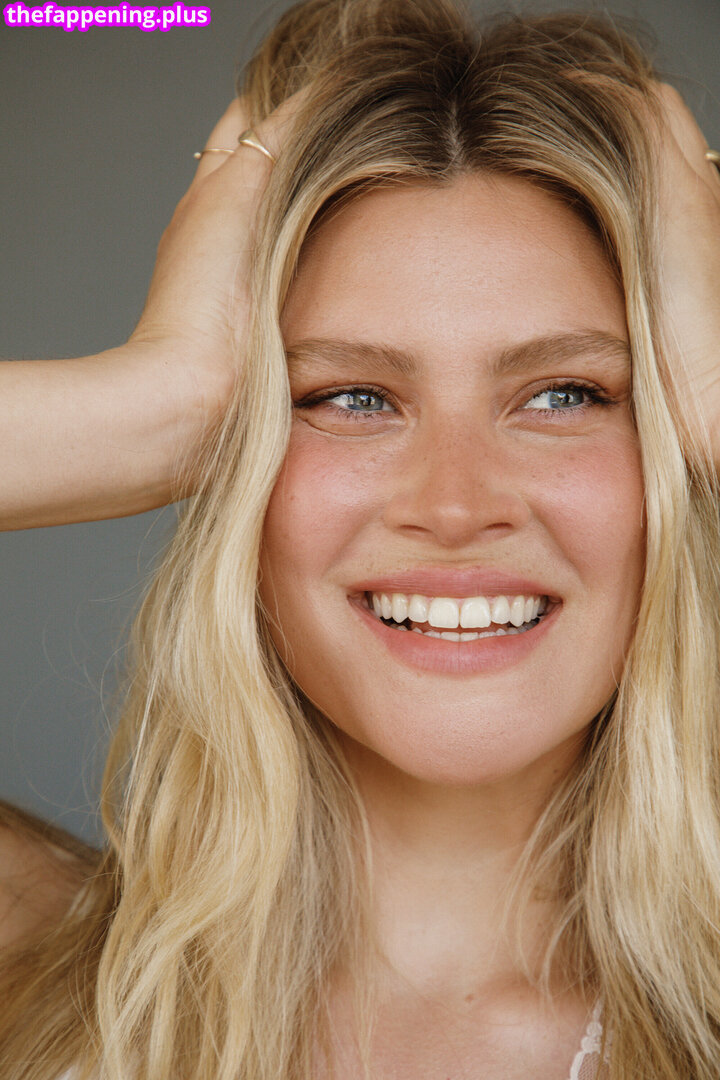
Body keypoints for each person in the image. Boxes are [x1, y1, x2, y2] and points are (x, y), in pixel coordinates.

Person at [1, 0, 720, 1077]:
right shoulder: (33, 964)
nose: (457, 504)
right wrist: (151, 405)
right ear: (238, 460)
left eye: (563, 394)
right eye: (352, 398)